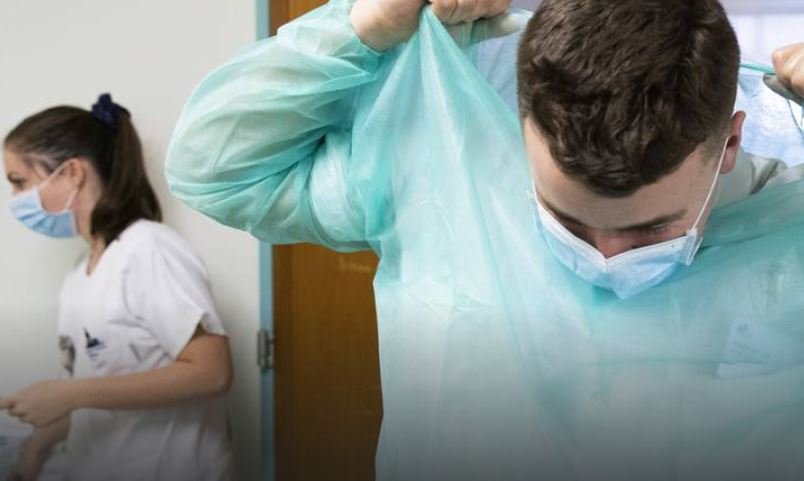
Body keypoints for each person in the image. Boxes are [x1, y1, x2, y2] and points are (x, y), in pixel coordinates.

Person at [165, 0, 804, 479]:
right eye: (567, 220)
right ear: (523, 125)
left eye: (651, 230)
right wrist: (365, 26)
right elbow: (216, 170)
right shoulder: (447, 176)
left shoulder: (787, 227)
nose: (604, 258)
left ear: (730, 143)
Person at [0, 94, 234, 481]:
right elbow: (101, 395)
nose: (15, 200)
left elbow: (212, 372)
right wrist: (38, 446)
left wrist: (68, 394)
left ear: (72, 173)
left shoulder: (150, 249)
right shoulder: (81, 274)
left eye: (20, 182)